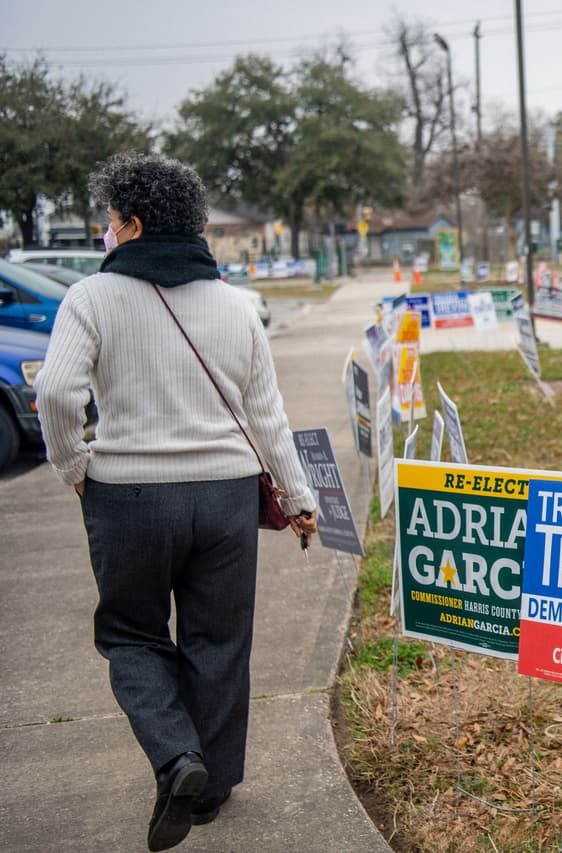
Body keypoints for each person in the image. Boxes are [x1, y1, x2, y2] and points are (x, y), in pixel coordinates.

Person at [34, 152, 318, 851]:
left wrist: (75, 465)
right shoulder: (235, 305)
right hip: (224, 499)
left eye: (109, 220)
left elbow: (55, 394)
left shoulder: (91, 299)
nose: (106, 231)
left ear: (131, 224)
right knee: (218, 639)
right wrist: (300, 495)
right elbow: (267, 416)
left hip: (128, 495)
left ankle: (175, 756)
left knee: (131, 634)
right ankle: (211, 785)